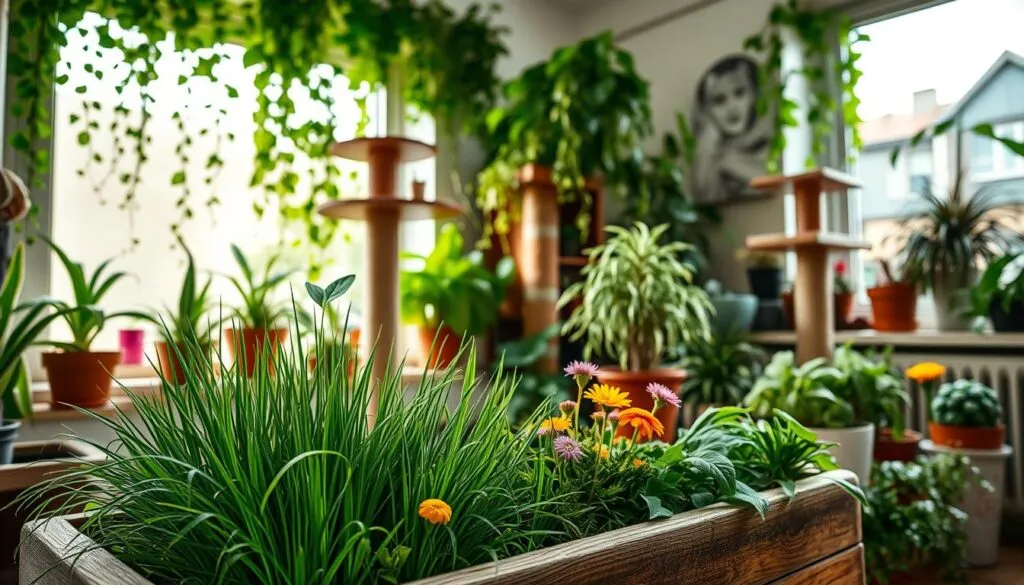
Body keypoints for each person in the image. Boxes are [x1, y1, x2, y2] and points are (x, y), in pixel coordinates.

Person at [692, 55, 772, 204]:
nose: (732, 108)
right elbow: (704, 193)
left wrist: (728, 161)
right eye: (719, 100)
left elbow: (771, 183)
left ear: (753, 95)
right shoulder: (709, 153)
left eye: (740, 93)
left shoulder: (768, 144)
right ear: (706, 111)